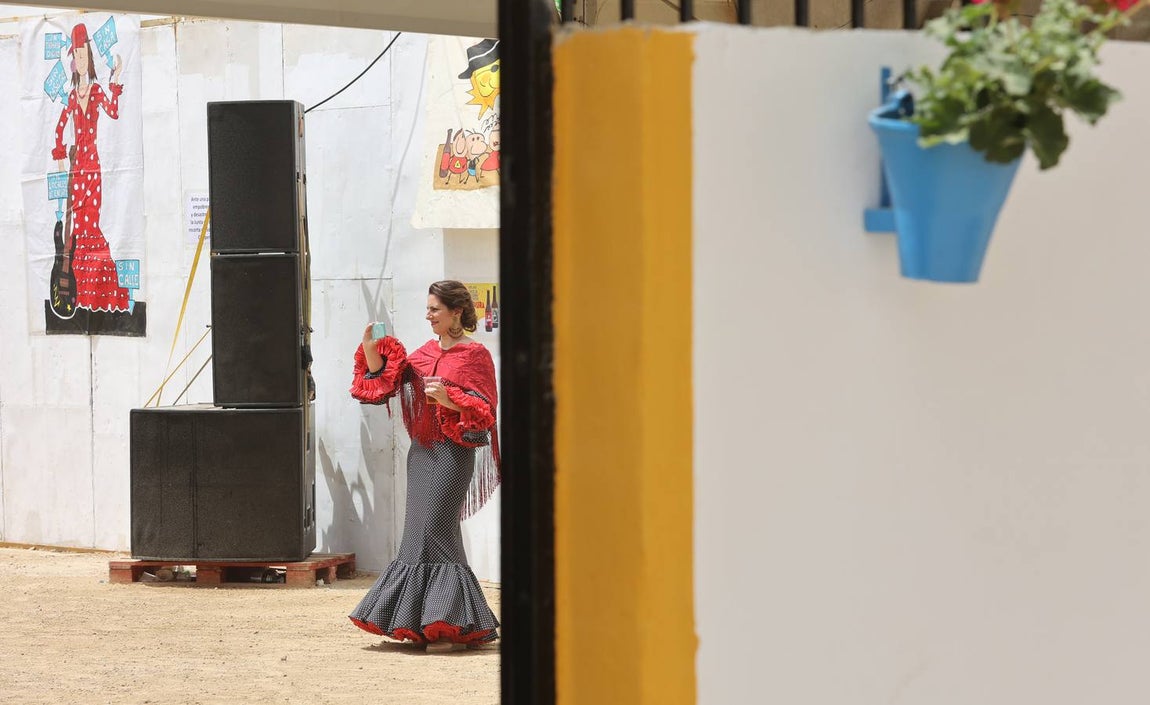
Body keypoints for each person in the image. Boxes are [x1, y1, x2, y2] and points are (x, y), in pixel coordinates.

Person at [347, 280, 500, 651]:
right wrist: (371, 352)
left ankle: (447, 626)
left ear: (456, 313)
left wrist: (450, 400)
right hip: (422, 452)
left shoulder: (475, 355)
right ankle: (431, 623)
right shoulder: (422, 354)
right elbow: (384, 383)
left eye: (434, 309)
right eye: (428, 308)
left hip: (452, 453)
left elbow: (486, 410)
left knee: (436, 528)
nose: (428, 315)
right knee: (416, 532)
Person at [52, 22, 130, 313]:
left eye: (85, 56)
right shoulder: (72, 97)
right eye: (78, 57)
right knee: (76, 225)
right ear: (73, 62)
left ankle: (96, 291)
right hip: (77, 168)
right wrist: (60, 154)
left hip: (93, 166)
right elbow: (59, 128)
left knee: (90, 223)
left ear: (90, 59)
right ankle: (75, 289)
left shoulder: (96, 92)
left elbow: (113, 111)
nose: (82, 62)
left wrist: (115, 79)